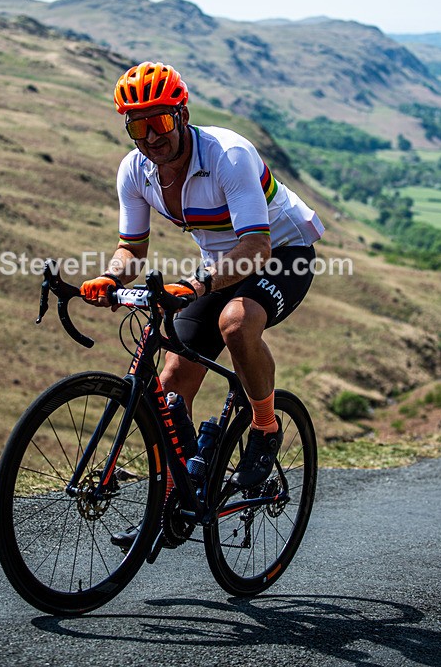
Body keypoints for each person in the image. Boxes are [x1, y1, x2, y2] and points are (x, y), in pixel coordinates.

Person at [80, 61, 324, 548]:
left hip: (282, 251)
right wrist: (108, 278)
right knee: (169, 387)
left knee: (236, 323)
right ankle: (176, 500)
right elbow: (132, 248)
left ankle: (264, 426)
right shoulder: (135, 170)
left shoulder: (228, 155)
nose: (150, 136)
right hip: (219, 264)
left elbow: (257, 249)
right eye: (137, 125)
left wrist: (193, 285)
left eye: (160, 121)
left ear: (183, 113)